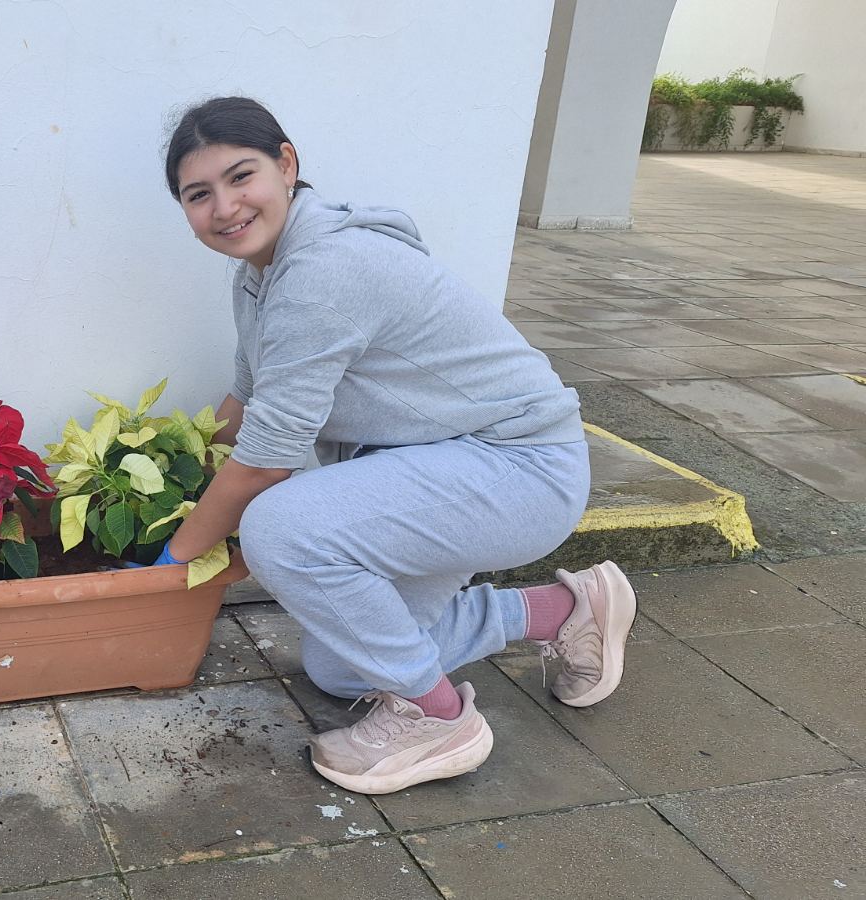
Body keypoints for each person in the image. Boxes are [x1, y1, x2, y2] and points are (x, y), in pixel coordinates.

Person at [153, 98, 636, 795]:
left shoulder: (324, 270)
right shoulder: (260, 275)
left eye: (240, 176)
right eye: (198, 194)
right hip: (438, 468)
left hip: (518, 468)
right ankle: (566, 611)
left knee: (278, 528)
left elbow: (263, 464)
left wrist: (170, 563)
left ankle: (437, 719)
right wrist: (173, 478)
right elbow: (246, 401)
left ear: (286, 164)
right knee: (343, 666)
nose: (225, 207)